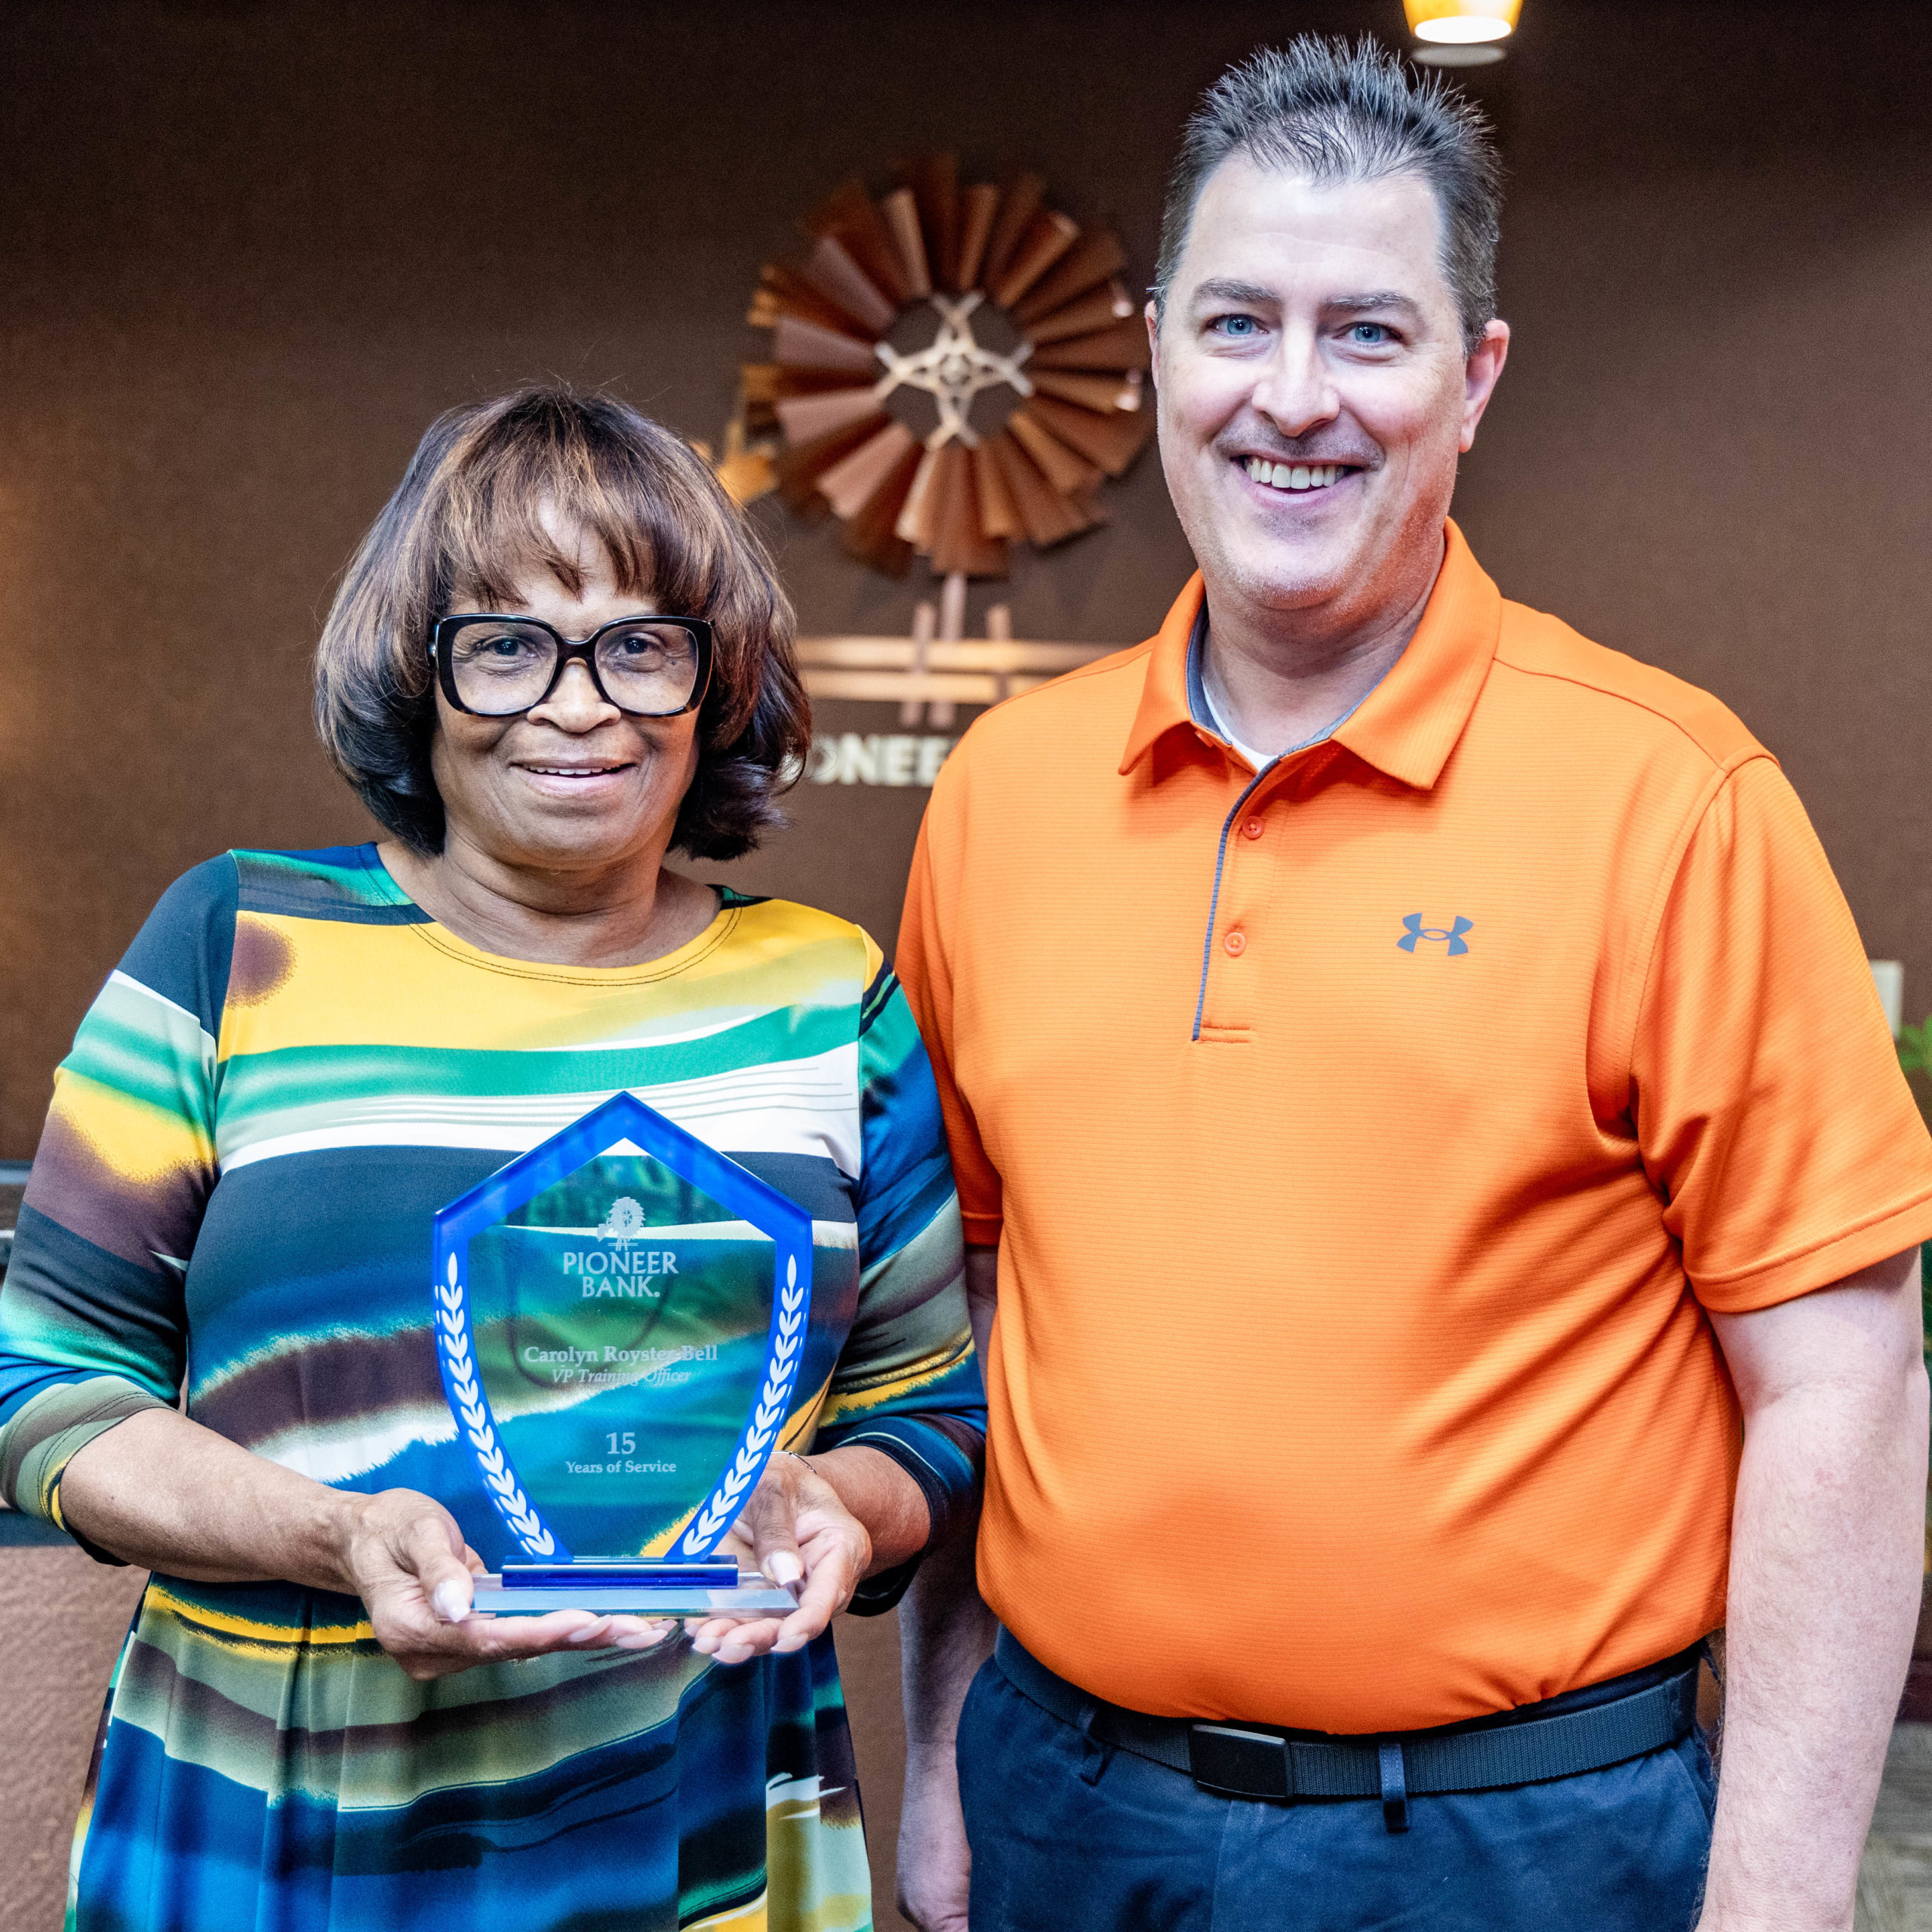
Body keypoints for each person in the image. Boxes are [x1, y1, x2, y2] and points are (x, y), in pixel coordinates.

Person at [892, 38, 1932, 1932]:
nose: (1290, 399)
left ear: (1474, 379)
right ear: (1151, 352)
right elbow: (971, 1312)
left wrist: (1780, 1902)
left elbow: (1839, 1386)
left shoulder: (1670, 796)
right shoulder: (997, 801)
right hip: (1068, 1811)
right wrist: (946, 1743)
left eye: (1366, 333)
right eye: (1235, 323)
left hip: (1518, 1847)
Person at [0, 386, 984, 1931]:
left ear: (711, 682)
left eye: (639, 642)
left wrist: (842, 1503)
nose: (577, 703)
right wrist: (334, 1534)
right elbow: (41, 1390)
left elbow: (925, 1412)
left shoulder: (826, 995)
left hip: (705, 1815)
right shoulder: (236, 939)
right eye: (506, 641)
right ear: (420, 671)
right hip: (276, 1816)